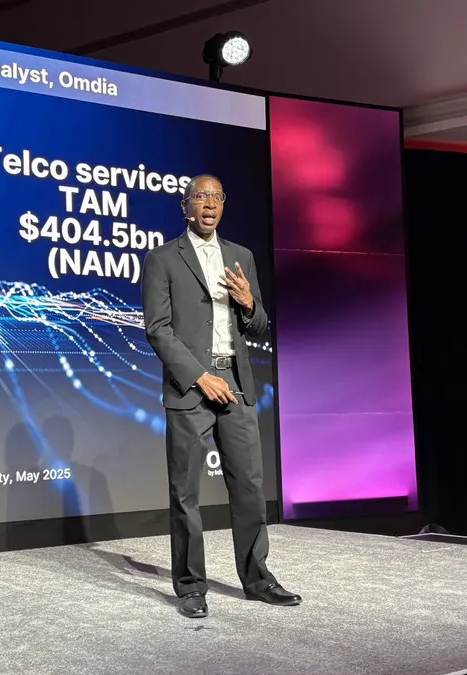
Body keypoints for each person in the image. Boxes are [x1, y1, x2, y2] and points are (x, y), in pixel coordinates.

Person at [140, 174, 301, 618]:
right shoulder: (162, 259)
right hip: (192, 387)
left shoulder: (241, 257)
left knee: (249, 486)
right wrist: (198, 376)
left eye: (216, 197)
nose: (209, 204)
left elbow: (259, 325)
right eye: (200, 197)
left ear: (223, 205)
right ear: (185, 205)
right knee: (185, 492)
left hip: (237, 383)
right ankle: (191, 585)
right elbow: (158, 328)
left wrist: (249, 303)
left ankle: (257, 578)